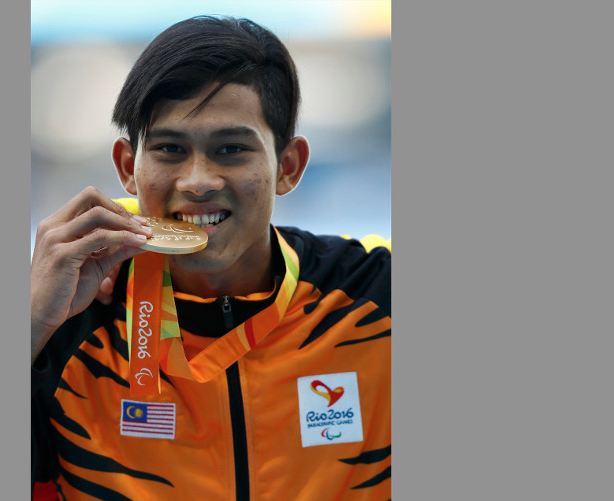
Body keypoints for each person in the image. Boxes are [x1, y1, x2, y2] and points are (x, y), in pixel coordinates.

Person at [31, 15, 390, 501]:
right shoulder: (70, 317)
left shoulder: (376, 299)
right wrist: (32, 324)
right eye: (170, 149)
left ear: (288, 166)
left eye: (231, 149)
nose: (197, 181)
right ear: (126, 167)